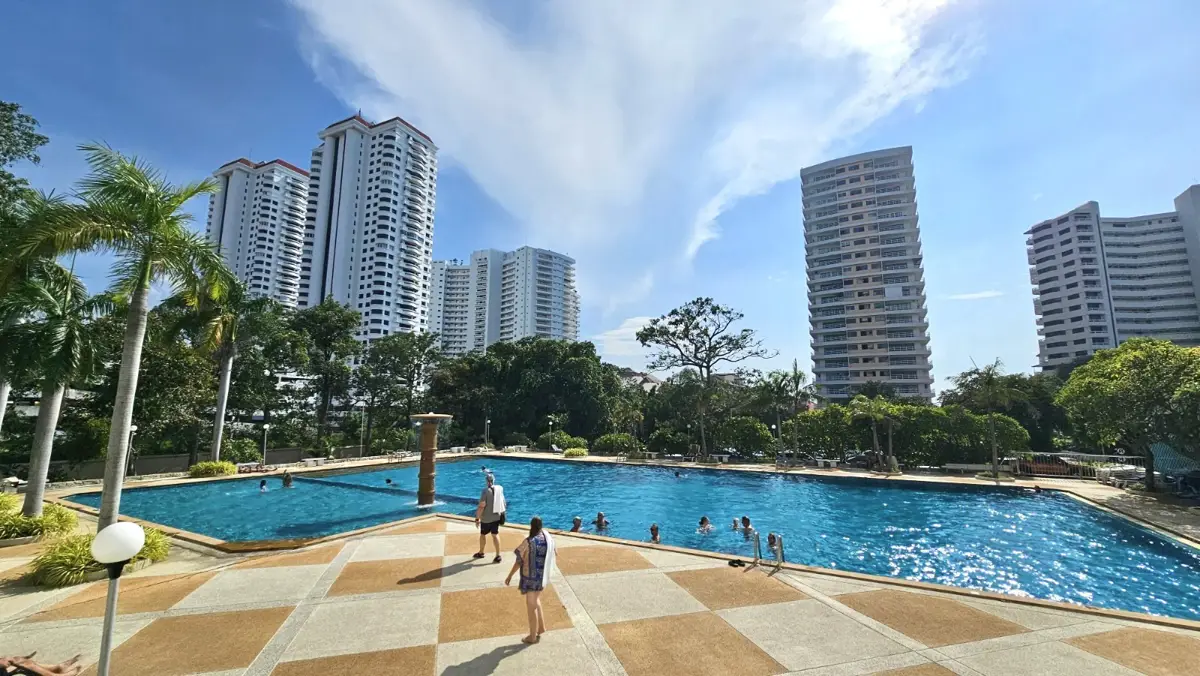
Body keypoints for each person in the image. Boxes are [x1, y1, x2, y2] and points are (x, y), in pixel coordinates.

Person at [505, 516, 556, 645]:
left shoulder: (528, 542)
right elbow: (554, 551)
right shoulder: (547, 538)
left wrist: (510, 575)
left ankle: (532, 637)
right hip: (542, 577)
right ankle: (541, 627)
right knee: (536, 601)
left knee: (530, 607)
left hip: (530, 580)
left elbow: (519, 560)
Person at [474, 472, 507, 562]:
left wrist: (477, 518)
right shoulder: (499, 490)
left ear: (486, 481)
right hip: (496, 517)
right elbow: (504, 503)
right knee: (495, 535)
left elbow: (481, 506)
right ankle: (498, 555)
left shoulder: (485, 491)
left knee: (483, 535)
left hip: (486, 519)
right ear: (494, 480)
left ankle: (481, 552)